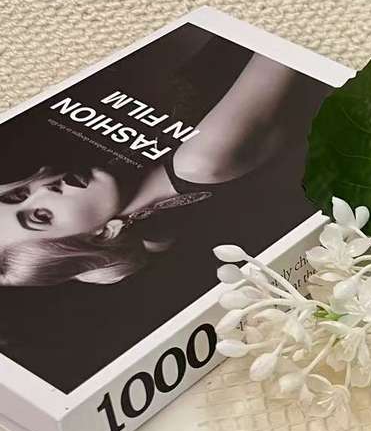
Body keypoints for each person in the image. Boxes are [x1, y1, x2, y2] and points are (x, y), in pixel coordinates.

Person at [0, 52, 320, 287]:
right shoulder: (200, 162)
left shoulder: (151, 219)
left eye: (19, 194)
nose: (44, 189)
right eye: (41, 215)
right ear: (102, 234)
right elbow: (282, 47)